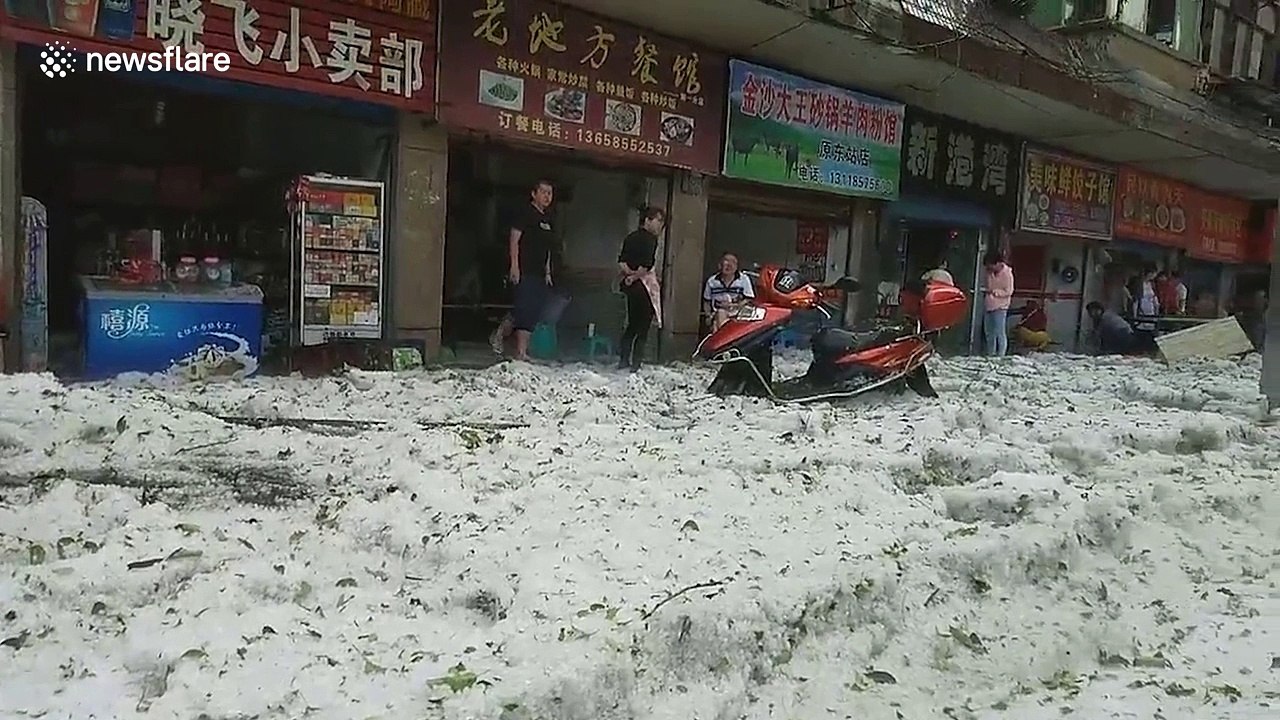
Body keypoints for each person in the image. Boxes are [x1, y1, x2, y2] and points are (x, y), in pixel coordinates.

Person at [502, 178, 556, 362]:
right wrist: (514, 265)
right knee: (523, 308)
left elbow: (548, 248)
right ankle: (511, 343)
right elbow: (514, 240)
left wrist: (548, 271)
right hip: (525, 269)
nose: (547, 196)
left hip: (540, 272)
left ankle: (522, 351)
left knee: (534, 310)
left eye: (550, 193)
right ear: (534, 194)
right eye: (543, 192)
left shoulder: (548, 218)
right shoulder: (525, 213)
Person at [617, 207, 665, 370]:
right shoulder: (651, 240)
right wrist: (636, 276)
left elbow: (621, 262)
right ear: (648, 220)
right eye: (658, 221)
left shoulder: (630, 237)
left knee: (632, 324)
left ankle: (623, 360)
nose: (660, 225)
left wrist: (629, 275)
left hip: (631, 286)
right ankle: (636, 363)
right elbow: (647, 265)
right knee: (643, 327)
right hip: (644, 286)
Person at [703, 253, 754, 331]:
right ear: (720, 265)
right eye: (726, 263)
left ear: (736, 267)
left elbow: (749, 299)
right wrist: (708, 316)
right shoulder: (712, 281)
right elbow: (706, 301)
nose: (728, 266)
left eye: (732, 263)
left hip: (738, 315)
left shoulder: (743, 279)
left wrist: (734, 305)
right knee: (720, 314)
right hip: (717, 314)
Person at [981, 249, 1014, 357]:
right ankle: (991, 353)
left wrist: (995, 292)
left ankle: (1001, 354)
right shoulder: (989, 273)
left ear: (998, 263)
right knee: (989, 332)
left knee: (999, 331)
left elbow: (1009, 291)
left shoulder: (1007, 274)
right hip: (989, 304)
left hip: (1001, 306)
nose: (990, 268)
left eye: (991, 265)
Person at [1130, 264, 1160, 354]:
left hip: (1150, 312)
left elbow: (1154, 298)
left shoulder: (1151, 284)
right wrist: (1135, 316)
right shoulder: (1139, 284)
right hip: (1142, 311)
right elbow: (1136, 300)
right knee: (1142, 334)